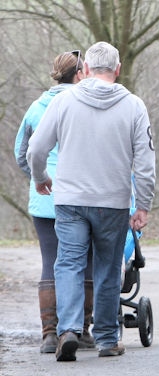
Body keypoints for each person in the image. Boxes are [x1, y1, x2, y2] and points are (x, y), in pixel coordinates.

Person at [27, 41, 156, 361]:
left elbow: (36, 149)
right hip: (112, 200)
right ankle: (107, 339)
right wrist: (143, 204)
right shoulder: (134, 105)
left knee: (68, 263)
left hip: (69, 199)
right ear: (118, 69)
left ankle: (68, 329)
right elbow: (145, 162)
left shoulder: (64, 102)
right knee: (109, 267)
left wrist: (41, 177)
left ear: (84, 70)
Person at [14, 50, 96, 354]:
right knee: (83, 262)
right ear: (79, 74)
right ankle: (82, 330)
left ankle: (49, 333)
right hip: (82, 195)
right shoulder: (87, 105)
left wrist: (40, 179)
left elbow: (22, 153)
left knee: (51, 263)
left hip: (45, 200)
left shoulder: (36, 108)